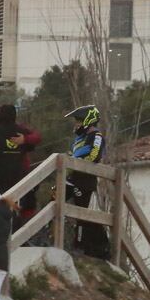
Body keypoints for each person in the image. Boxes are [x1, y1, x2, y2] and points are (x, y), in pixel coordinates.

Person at [66, 104, 108, 257]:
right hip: (73, 176)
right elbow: (72, 153)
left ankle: (79, 244)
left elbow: (95, 156)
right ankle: (45, 234)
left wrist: (76, 159)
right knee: (54, 197)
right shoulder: (79, 138)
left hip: (85, 180)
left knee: (80, 213)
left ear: (87, 120)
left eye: (78, 120)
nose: (76, 124)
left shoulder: (96, 135)